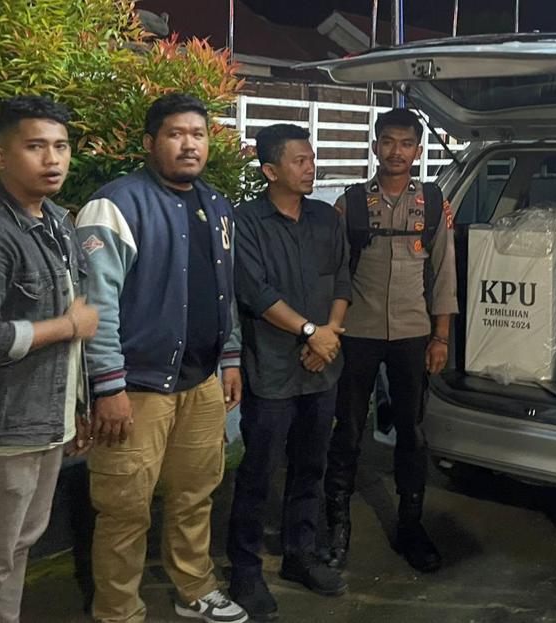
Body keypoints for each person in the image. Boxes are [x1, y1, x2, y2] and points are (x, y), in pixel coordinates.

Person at [76, 93, 246, 623]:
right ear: (151, 143)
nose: (189, 144)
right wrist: (108, 387)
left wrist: (230, 357)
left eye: (198, 134)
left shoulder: (217, 205)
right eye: (176, 134)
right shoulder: (115, 205)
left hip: (201, 383)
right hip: (136, 389)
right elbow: (96, 305)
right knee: (124, 509)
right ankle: (118, 611)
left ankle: (194, 589)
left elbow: (225, 289)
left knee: (196, 495)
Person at [0, 95, 97, 623]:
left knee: (19, 547)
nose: (52, 159)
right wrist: (65, 328)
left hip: (43, 420)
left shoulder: (57, 222)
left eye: (61, 146)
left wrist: (75, 409)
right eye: (35, 147)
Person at [226, 124, 352, 619]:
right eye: (300, 161)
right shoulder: (246, 222)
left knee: (310, 467)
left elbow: (342, 278)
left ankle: (300, 554)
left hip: (322, 367)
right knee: (258, 472)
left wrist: (330, 334)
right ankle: (245, 569)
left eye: (312, 159)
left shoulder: (324, 218)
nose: (310, 168)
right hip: (273, 368)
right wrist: (310, 333)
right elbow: (254, 292)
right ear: (270, 170)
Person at [324, 107, 457, 573]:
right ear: (375, 146)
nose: (396, 151)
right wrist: (331, 329)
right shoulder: (352, 203)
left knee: (412, 433)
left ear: (418, 151)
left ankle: (411, 526)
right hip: (357, 332)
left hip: (413, 334)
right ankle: (336, 527)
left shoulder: (434, 203)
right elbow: (336, 271)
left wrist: (441, 336)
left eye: (405, 143)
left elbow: (444, 274)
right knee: (347, 430)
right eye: (388, 142)